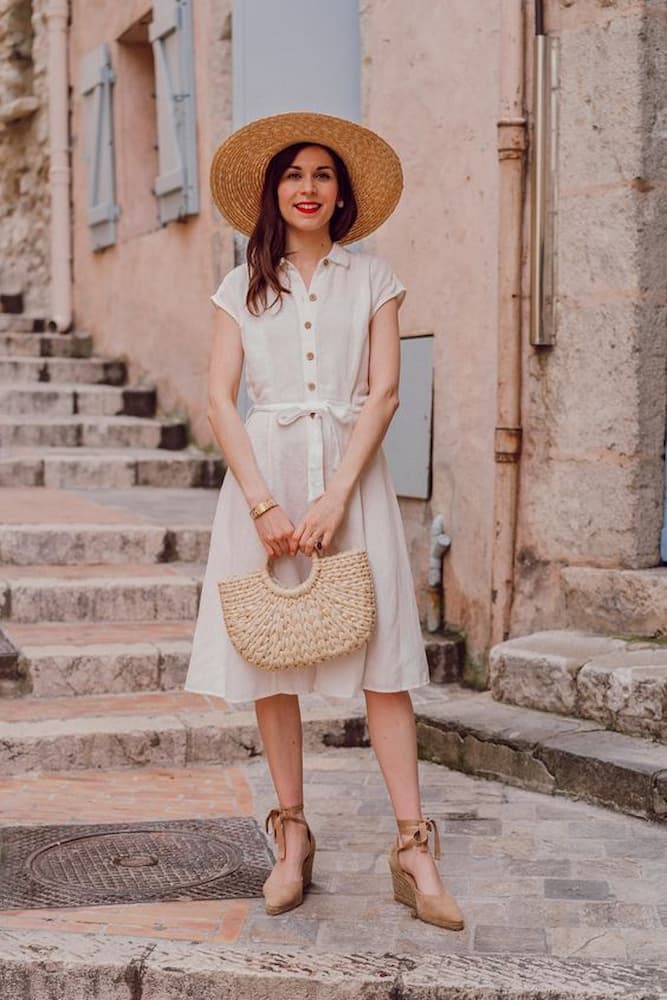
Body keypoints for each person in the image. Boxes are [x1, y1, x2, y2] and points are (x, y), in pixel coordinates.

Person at [185, 112, 463, 932]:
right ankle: (292, 835)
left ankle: (413, 848)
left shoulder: (373, 277)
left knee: (384, 663)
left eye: (324, 175)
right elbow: (217, 397)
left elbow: (383, 392)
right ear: (273, 191)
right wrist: (264, 503)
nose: (308, 188)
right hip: (262, 480)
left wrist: (337, 493)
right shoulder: (241, 285)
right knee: (272, 659)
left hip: (352, 482)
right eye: (294, 175)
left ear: (341, 195)